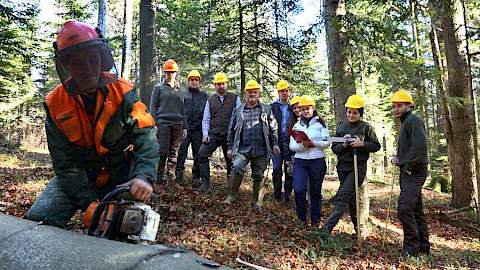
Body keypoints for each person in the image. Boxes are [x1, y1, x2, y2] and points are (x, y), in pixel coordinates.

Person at [26, 20, 159, 227]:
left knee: (129, 225)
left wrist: (143, 177)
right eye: (78, 62)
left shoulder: (123, 92)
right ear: (67, 66)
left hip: (119, 176)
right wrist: (89, 204)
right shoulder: (55, 104)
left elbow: (146, 136)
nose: (87, 68)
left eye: (91, 60)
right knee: (39, 219)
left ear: (102, 59)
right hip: (79, 178)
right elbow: (65, 164)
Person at [321, 94, 380, 236]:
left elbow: (376, 146)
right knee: (352, 200)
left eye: (355, 112)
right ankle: (359, 231)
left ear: (360, 113)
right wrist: (344, 144)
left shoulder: (366, 128)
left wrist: (362, 144)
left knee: (342, 196)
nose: (351, 115)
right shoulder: (342, 127)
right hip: (343, 167)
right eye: (349, 112)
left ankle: (326, 229)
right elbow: (335, 149)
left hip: (358, 167)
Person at [222, 80, 280, 208]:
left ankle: (257, 201)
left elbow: (272, 129)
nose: (252, 94)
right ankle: (231, 196)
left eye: (255, 92)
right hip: (242, 149)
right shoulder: (238, 110)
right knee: (237, 167)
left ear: (259, 93)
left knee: (258, 175)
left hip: (261, 149)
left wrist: (274, 144)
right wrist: (230, 147)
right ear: (245, 94)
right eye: (249, 92)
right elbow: (231, 130)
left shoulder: (266, 109)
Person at [390, 89, 430, 257]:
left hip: (414, 171)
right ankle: (423, 246)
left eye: (399, 106)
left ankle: (411, 249)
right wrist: (399, 159)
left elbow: (420, 147)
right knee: (415, 210)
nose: (396, 109)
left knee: (404, 209)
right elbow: (410, 147)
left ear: (409, 105)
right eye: (394, 106)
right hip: (409, 170)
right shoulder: (406, 122)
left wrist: (408, 165)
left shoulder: (413, 120)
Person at [289, 95, 330, 228]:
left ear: (313, 108)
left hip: (317, 161)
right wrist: (302, 146)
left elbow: (327, 142)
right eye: (303, 109)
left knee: (315, 192)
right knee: (299, 189)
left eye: (308, 108)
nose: (306, 111)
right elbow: (292, 146)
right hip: (300, 161)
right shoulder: (296, 125)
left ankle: (315, 220)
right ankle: (301, 219)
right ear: (300, 111)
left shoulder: (320, 124)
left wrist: (314, 143)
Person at [197, 72, 241, 191]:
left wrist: (237, 136)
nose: (221, 86)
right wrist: (205, 134)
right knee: (202, 154)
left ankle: (231, 188)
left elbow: (240, 118)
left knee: (231, 161)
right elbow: (206, 119)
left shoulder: (235, 98)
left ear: (226, 84)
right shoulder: (210, 99)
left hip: (229, 135)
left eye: (223, 83)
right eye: (218, 84)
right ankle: (205, 183)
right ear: (214, 85)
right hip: (214, 134)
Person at [149, 59, 187, 190]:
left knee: (174, 153)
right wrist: (154, 124)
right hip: (163, 123)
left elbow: (183, 109)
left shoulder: (179, 88)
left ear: (176, 72)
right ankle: (158, 180)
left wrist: (185, 126)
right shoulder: (158, 87)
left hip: (178, 124)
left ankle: (171, 179)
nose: (170, 74)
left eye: (172, 72)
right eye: (168, 72)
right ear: (165, 72)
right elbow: (153, 107)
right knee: (162, 152)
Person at [175, 70, 209, 183]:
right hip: (184, 129)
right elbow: (177, 111)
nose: (194, 82)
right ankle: (178, 177)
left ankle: (196, 177)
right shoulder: (182, 94)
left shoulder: (205, 96)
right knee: (181, 153)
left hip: (198, 130)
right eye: (191, 80)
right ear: (188, 81)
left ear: (199, 82)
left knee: (198, 154)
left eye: (196, 80)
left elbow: (208, 114)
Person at [270, 80, 293, 203]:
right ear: (278, 92)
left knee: (289, 168)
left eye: (286, 91)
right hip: (276, 141)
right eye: (282, 91)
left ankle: (288, 194)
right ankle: (277, 194)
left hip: (290, 141)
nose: (284, 93)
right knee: (277, 168)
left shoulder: (293, 106)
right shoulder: (273, 106)